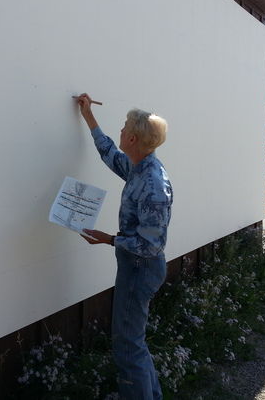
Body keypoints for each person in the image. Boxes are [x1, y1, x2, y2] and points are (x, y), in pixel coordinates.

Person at [75, 93, 173, 400]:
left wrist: (109, 239)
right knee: (134, 344)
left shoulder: (153, 183)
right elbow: (108, 153)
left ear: (131, 138)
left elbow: (151, 244)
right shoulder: (139, 167)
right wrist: (88, 115)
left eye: (123, 127)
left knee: (127, 348)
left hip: (140, 268)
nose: (120, 132)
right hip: (134, 266)